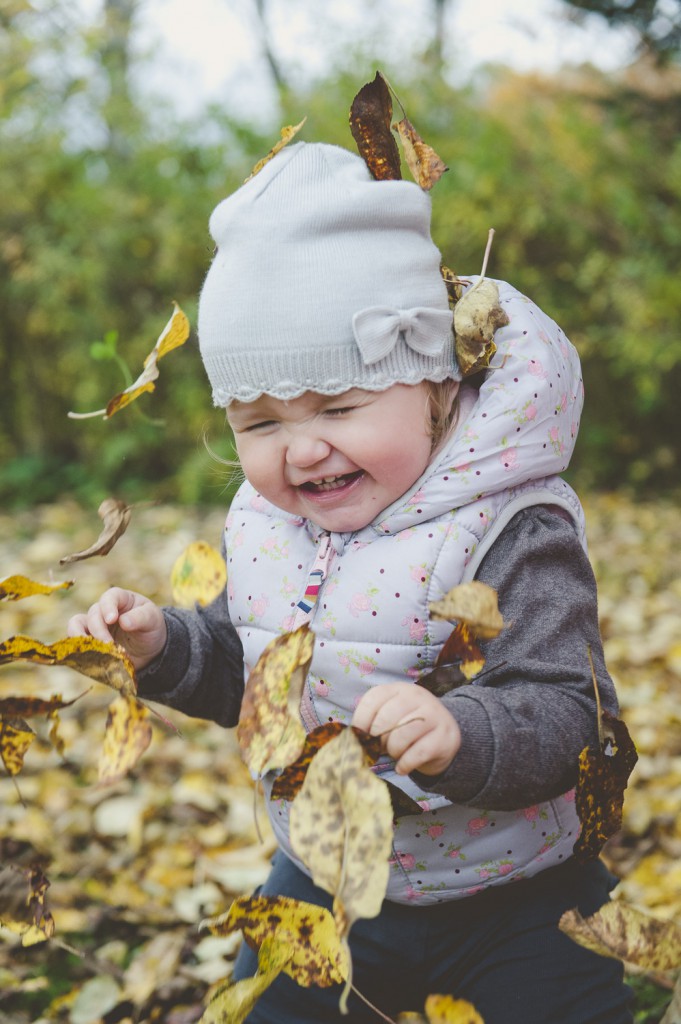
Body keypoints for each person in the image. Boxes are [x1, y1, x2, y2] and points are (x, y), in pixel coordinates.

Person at [68, 140, 633, 1023]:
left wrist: (461, 729)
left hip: (518, 887)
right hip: (330, 874)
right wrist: (166, 645)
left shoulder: (509, 526)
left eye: (339, 408)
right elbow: (250, 673)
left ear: (435, 388)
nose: (301, 447)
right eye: (259, 422)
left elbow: (572, 713)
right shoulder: (266, 526)